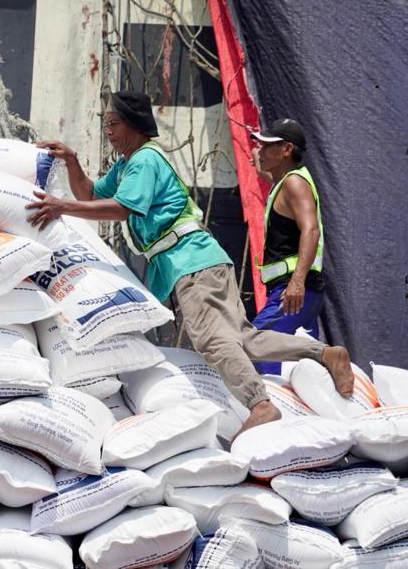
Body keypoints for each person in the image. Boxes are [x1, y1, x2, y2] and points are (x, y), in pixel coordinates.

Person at [25, 91, 353, 435]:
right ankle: (324, 354)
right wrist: (73, 161)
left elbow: (122, 208)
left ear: (134, 125)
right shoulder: (127, 164)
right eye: (105, 124)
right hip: (204, 259)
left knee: (212, 340)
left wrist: (61, 207)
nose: (108, 132)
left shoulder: (145, 161)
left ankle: (260, 404)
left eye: (113, 124)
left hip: (191, 262)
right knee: (243, 339)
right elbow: (90, 195)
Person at [250, 119, 325, 336]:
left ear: (286, 149)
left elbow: (311, 230)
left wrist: (297, 282)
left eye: (267, 145)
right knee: (301, 361)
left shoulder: (294, 184)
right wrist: (258, 157)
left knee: (254, 347)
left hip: (292, 291)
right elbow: (264, 171)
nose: (261, 150)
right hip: (301, 292)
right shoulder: (285, 181)